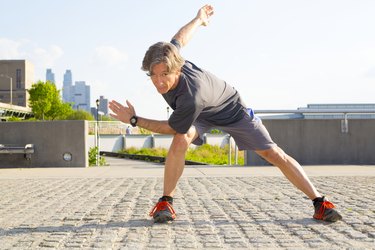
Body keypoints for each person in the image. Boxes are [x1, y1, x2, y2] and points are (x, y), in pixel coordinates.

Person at [109, 4, 342, 223]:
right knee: (181, 141)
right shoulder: (171, 55)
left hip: (232, 110)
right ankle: (165, 203)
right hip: (201, 114)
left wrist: (133, 120)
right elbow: (180, 38)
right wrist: (199, 20)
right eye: (153, 75)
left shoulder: (192, 95)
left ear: (177, 68)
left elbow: (170, 127)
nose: (159, 82)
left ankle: (320, 203)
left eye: (165, 75)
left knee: (273, 154)